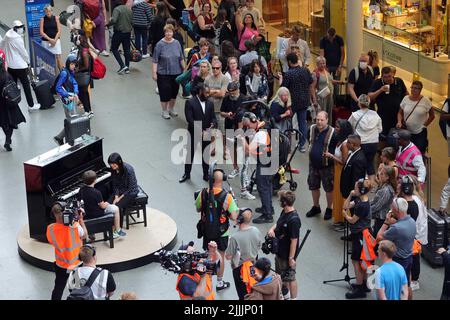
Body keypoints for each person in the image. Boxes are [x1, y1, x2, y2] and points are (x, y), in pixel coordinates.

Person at [195, 169, 238, 291]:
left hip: (207, 230)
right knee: (220, 256)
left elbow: (198, 209)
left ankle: (207, 280)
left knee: (209, 255)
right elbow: (234, 217)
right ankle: (219, 283)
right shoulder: (227, 197)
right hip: (222, 232)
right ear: (222, 179)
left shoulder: (203, 193)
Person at [377, 197, 416, 299]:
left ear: (396, 211)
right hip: (408, 258)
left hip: (398, 261)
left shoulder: (396, 228)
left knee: (394, 290)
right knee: (406, 285)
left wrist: (386, 222)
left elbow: (378, 237)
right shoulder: (412, 221)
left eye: (392, 208)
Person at [47, 202, 88, 300]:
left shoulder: (50, 228)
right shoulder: (75, 226)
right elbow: (84, 235)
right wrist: (81, 220)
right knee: (76, 289)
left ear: (54, 214)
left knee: (58, 288)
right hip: (76, 264)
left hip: (61, 264)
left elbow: (51, 241)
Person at [240, 112, 274, 223]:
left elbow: (248, 151)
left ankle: (267, 215)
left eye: (248, 125)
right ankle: (268, 207)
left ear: (254, 121)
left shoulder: (261, 133)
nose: (248, 128)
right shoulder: (263, 127)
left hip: (266, 161)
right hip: (270, 159)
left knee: (262, 186)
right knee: (267, 185)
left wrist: (242, 138)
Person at [267, 190, 301, 300]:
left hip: (287, 254)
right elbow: (278, 223)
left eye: (280, 200)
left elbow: (294, 241)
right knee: (281, 276)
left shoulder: (294, 220)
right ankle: (285, 296)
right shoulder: (284, 212)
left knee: (290, 278)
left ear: (285, 202)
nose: (279, 202)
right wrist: (272, 229)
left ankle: (293, 298)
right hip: (279, 251)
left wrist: (291, 258)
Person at [180, 83, 217, 183]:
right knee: (190, 153)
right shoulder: (190, 102)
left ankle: (206, 174)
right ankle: (187, 174)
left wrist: (212, 125)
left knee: (205, 154)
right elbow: (189, 119)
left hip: (207, 131)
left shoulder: (210, 103)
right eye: (206, 93)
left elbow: (213, 117)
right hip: (194, 132)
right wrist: (199, 130)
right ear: (200, 92)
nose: (208, 95)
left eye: (209, 93)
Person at [279, 53, 316, 153]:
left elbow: (283, 88)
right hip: (304, 101)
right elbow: (311, 82)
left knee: (288, 123)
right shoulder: (305, 70)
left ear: (290, 62)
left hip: (292, 102)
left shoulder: (288, 74)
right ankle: (301, 145)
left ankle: (288, 146)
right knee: (302, 123)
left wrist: (281, 80)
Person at [0, 20, 41, 111]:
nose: (21, 29)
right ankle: (31, 105)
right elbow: (23, 52)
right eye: (20, 27)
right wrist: (28, 62)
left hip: (10, 66)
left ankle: (14, 105)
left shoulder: (8, 34)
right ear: (15, 29)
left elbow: (2, 45)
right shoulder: (17, 39)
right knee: (26, 85)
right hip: (19, 66)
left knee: (12, 87)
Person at [342, 178, 373, 299]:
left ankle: (360, 289)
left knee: (357, 261)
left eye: (355, 188)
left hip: (361, 235)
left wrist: (345, 215)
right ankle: (363, 284)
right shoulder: (360, 199)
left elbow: (352, 220)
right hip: (360, 234)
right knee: (362, 261)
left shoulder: (362, 206)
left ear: (361, 190)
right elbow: (346, 205)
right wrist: (350, 195)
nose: (354, 189)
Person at [398, 175, 428, 291]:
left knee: (415, 257)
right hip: (416, 232)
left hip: (416, 234)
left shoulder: (414, 200)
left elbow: (415, 220)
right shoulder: (415, 197)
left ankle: (415, 280)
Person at [305, 111, 337, 220]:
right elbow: (309, 141)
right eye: (317, 119)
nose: (319, 122)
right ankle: (316, 206)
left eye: (322, 120)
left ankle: (329, 208)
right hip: (312, 165)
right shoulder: (311, 128)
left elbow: (338, 148)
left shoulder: (333, 132)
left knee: (329, 188)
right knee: (313, 186)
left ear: (327, 120)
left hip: (327, 166)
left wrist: (332, 156)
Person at [225, 208, 263, 300]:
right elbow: (259, 246)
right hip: (254, 265)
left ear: (239, 219)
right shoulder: (256, 230)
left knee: (243, 294)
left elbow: (228, 256)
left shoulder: (235, 237)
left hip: (240, 270)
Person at [79, 170, 126, 238]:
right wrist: (107, 202)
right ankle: (117, 230)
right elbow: (103, 206)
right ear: (95, 180)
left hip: (87, 214)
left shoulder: (81, 190)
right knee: (116, 209)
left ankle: (91, 233)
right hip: (97, 213)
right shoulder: (96, 192)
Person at [324, 119, 353, 228]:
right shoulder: (340, 140)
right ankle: (339, 219)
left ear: (343, 129)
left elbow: (344, 162)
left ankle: (344, 221)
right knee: (337, 195)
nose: (335, 128)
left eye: (338, 127)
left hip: (342, 171)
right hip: (337, 170)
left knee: (342, 196)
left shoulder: (345, 144)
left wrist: (331, 156)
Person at [152, 24, 185, 119]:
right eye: (167, 32)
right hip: (163, 74)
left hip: (176, 73)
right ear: (164, 33)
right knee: (164, 93)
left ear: (173, 32)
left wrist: (185, 70)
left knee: (174, 93)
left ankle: (171, 108)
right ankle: (164, 110)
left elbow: (181, 58)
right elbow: (155, 60)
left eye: (170, 31)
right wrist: (154, 73)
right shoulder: (159, 44)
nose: (168, 33)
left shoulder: (177, 43)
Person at [348, 94, 382, 182]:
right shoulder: (375, 114)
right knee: (370, 163)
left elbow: (348, 127)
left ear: (359, 103)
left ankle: (360, 184)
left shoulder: (355, 115)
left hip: (360, 143)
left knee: (359, 163)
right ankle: (371, 184)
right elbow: (380, 129)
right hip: (373, 143)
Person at [368, 66, 408, 138]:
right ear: (382, 76)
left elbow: (406, 94)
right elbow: (369, 96)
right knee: (383, 137)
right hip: (383, 117)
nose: (387, 79)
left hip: (397, 116)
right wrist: (380, 90)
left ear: (393, 74)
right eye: (385, 77)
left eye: (389, 76)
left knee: (396, 137)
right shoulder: (377, 82)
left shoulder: (399, 81)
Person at [397, 80, 435, 154]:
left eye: (416, 88)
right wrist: (399, 121)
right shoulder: (406, 98)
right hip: (406, 131)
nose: (413, 90)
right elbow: (400, 113)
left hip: (419, 133)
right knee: (406, 152)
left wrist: (424, 125)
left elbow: (432, 116)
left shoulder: (426, 101)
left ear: (420, 90)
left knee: (419, 152)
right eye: (412, 87)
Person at [0, 56, 26, 152]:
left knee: (3, 123)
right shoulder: (7, 75)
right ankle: (8, 140)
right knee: (12, 122)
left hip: (1, 105)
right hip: (10, 103)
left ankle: (7, 138)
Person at [53, 54, 80, 146]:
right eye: (72, 64)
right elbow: (58, 87)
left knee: (72, 120)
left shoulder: (70, 72)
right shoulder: (64, 73)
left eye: (74, 64)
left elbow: (74, 82)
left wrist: (76, 92)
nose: (73, 66)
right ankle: (63, 138)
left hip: (71, 98)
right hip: (68, 100)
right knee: (72, 120)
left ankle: (61, 138)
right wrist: (67, 95)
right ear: (68, 63)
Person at [205, 60, 230, 154]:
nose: (215, 70)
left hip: (221, 110)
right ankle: (212, 148)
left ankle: (225, 150)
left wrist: (211, 92)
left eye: (217, 68)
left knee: (223, 132)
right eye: (213, 68)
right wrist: (216, 91)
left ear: (221, 68)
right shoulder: (207, 79)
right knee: (211, 131)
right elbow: (205, 93)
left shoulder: (225, 79)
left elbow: (222, 94)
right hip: (210, 110)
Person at [107, 153, 139, 224]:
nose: (112, 166)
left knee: (117, 207)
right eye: (110, 164)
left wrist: (119, 198)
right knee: (108, 203)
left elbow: (130, 188)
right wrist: (116, 196)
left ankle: (118, 227)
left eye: (114, 164)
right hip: (121, 189)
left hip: (131, 191)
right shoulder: (113, 169)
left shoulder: (129, 170)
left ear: (119, 162)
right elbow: (115, 184)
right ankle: (110, 224)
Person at [107, 0, 133, 74]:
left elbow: (114, 20)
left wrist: (109, 23)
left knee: (114, 48)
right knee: (127, 50)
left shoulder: (116, 9)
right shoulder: (129, 9)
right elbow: (132, 21)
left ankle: (122, 65)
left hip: (119, 32)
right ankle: (127, 68)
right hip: (128, 32)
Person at [371, 165, 397, 237]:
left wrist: (366, 210)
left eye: (382, 174)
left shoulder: (386, 190)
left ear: (387, 177)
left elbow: (377, 206)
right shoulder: (383, 186)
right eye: (380, 172)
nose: (379, 174)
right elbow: (374, 201)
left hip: (382, 219)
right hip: (379, 218)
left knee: (377, 239)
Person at [340, 134, 368, 201]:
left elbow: (356, 180)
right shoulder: (352, 153)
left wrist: (351, 195)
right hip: (347, 192)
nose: (346, 143)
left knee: (351, 211)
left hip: (351, 195)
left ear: (352, 144)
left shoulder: (358, 159)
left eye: (347, 142)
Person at [40, 5, 63, 70]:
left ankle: (62, 74)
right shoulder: (42, 19)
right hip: (46, 41)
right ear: (44, 12)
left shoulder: (56, 18)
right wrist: (50, 40)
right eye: (46, 11)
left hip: (56, 41)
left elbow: (59, 30)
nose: (48, 12)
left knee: (58, 57)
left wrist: (54, 40)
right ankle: (48, 74)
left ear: (52, 11)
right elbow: (41, 32)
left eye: (49, 11)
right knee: (46, 58)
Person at [76, 33, 93, 116]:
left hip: (83, 75)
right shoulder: (82, 49)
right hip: (84, 75)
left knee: (83, 93)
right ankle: (89, 110)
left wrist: (78, 70)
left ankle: (87, 111)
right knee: (85, 93)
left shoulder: (84, 52)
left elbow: (86, 66)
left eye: (78, 38)